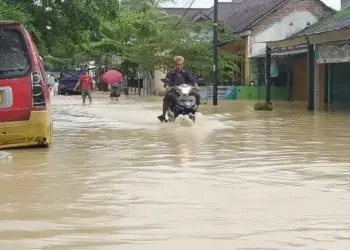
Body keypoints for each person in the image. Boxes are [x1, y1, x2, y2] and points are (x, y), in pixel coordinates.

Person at [157, 56, 200, 122]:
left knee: (197, 95)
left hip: (185, 91)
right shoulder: (170, 73)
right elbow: (167, 82)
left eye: (180, 64)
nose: (179, 66)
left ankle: (195, 108)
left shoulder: (187, 72)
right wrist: (167, 86)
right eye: (177, 64)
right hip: (175, 92)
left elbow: (193, 80)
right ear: (175, 65)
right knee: (168, 96)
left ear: (183, 65)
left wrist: (196, 86)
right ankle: (163, 114)